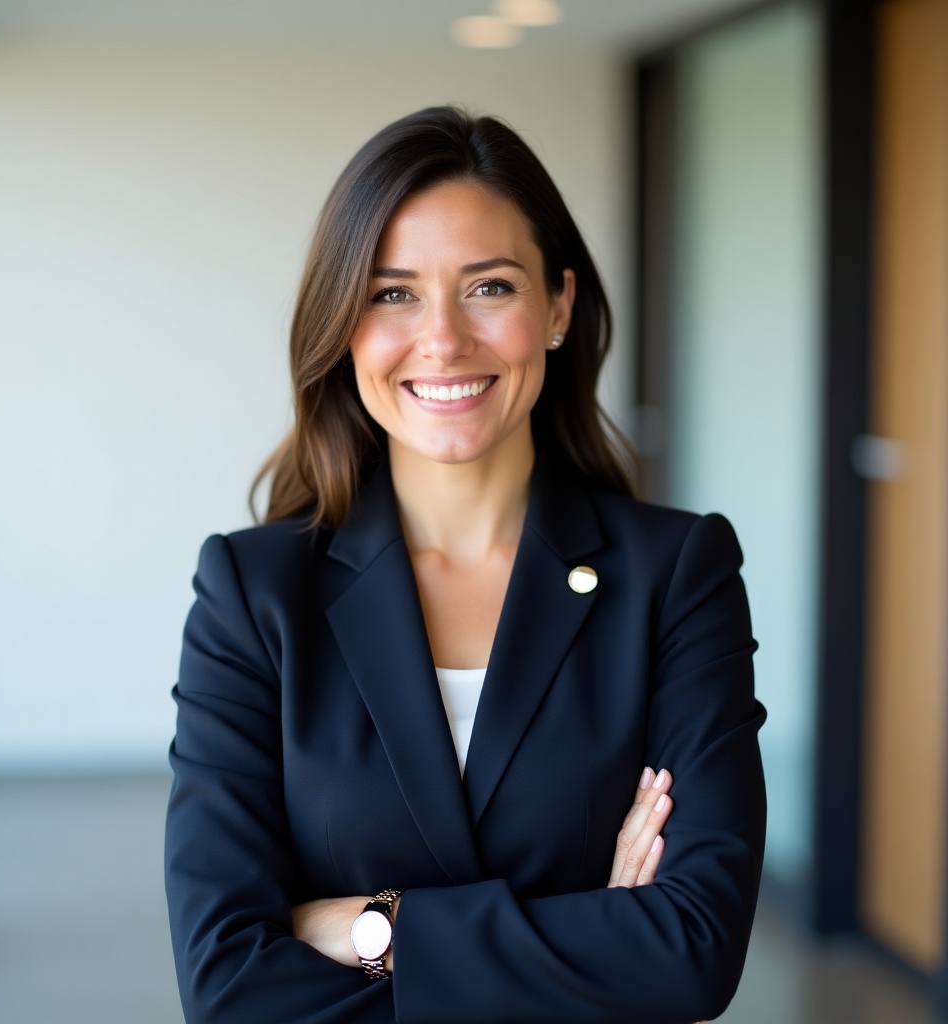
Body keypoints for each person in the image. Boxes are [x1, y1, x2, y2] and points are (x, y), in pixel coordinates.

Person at [165, 106, 766, 1024]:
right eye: (392, 293)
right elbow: (229, 986)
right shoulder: (252, 596)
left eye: (488, 287)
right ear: (344, 326)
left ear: (558, 307)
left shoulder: (677, 576)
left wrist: (371, 928)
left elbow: (691, 949)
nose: (442, 339)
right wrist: (595, 933)